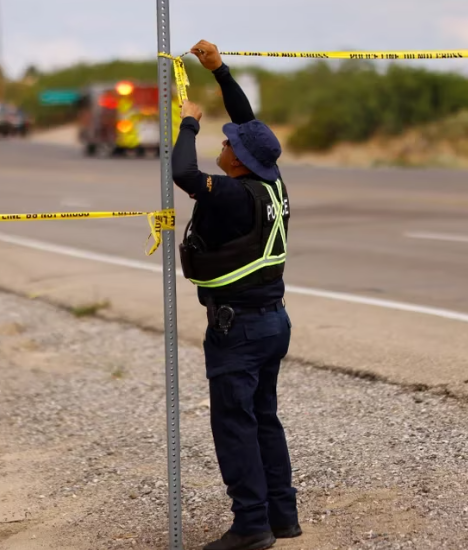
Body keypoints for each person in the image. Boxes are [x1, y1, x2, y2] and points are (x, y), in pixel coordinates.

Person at [172, 40, 301, 550]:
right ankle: (281, 515)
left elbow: (183, 172)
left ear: (240, 163)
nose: (222, 148)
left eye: (227, 146)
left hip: (239, 328)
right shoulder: (272, 185)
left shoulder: (227, 195)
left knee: (235, 425)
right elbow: (251, 128)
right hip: (272, 323)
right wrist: (220, 72)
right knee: (263, 417)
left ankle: (251, 526)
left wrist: (187, 123)